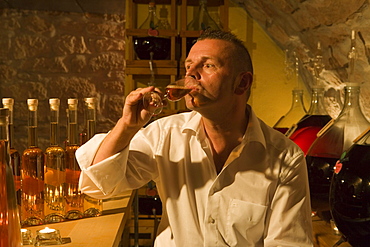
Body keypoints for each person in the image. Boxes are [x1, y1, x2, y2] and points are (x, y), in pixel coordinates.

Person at [76, 29, 314, 246]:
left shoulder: (285, 157)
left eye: (208, 66)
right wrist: (127, 126)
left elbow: (288, 243)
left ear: (242, 83)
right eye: (189, 66)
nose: (191, 74)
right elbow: (98, 185)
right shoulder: (165, 134)